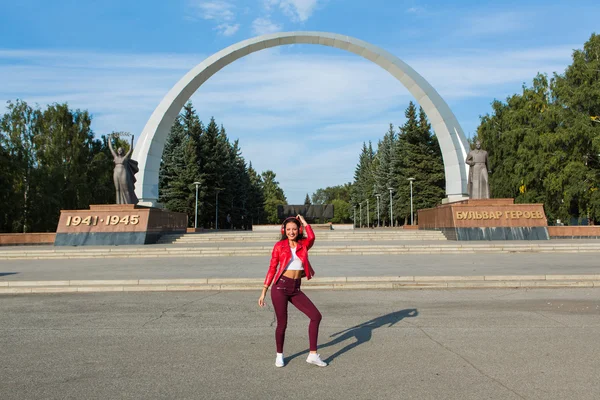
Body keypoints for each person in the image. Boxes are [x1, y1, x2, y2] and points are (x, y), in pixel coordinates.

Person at [258, 214, 326, 368]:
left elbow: (312, 237)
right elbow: (272, 268)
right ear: (284, 230)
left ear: (298, 230)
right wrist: (264, 290)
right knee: (282, 324)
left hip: (295, 288)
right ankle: (279, 355)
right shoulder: (279, 246)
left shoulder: (303, 244)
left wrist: (304, 222)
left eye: (294, 229)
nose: (291, 232)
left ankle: (313, 355)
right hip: (280, 287)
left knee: (316, 316)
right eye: (288, 229)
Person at [108, 135, 139, 205]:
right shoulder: (115, 157)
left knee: (126, 189)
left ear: (123, 151)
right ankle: (118, 204)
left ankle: (129, 204)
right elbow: (111, 148)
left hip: (123, 173)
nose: (119, 151)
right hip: (116, 173)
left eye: (121, 150)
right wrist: (109, 139)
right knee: (117, 189)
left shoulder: (125, 158)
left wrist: (131, 140)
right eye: (118, 150)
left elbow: (130, 150)